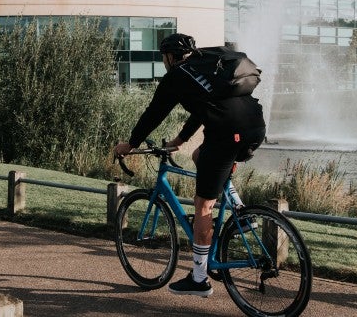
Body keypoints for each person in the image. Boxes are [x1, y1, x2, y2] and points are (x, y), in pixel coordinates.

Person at [114, 33, 266, 297]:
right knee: (199, 156)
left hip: (226, 133)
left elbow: (155, 112)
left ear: (169, 56)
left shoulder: (177, 75)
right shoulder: (205, 68)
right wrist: (181, 140)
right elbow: (202, 109)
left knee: (203, 205)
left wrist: (131, 143)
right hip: (254, 127)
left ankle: (198, 279)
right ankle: (240, 212)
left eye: (163, 58)